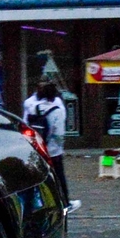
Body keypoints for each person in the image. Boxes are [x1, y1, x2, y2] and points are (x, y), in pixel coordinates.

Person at [22, 74, 72, 206]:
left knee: (35, 179)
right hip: (54, 151)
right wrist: (58, 146)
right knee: (58, 178)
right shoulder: (58, 108)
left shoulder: (30, 105)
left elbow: (25, 125)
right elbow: (59, 134)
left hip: (36, 148)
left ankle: (32, 205)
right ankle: (63, 202)